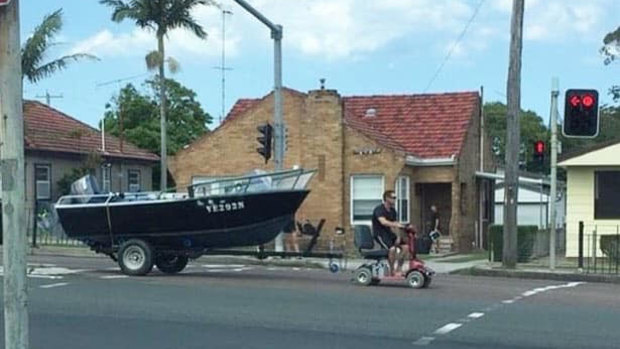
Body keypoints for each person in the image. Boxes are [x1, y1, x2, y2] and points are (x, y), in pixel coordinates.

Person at [372, 190, 407, 276]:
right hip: (380, 234)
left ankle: (399, 268)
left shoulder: (393, 211)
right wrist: (395, 224)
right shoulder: (379, 209)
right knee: (392, 249)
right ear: (387, 198)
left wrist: (398, 237)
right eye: (393, 198)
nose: (395, 199)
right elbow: (383, 222)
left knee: (406, 247)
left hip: (389, 234)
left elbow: (396, 226)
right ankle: (392, 271)